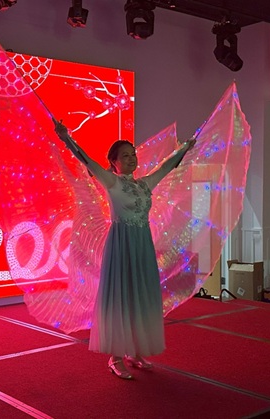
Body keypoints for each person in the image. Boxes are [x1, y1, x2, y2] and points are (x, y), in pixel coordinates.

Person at [54, 121, 195, 379]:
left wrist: (185, 148)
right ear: (114, 162)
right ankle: (116, 357)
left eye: (133, 154)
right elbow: (86, 160)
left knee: (140, 297)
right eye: (125, 156)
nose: (132, 159)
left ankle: (134, 351)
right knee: (121, 297)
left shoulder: (144, 184)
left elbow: (166, 167)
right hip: (121, 245)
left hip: (142, 246)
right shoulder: (112, 182)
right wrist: (66, 138)